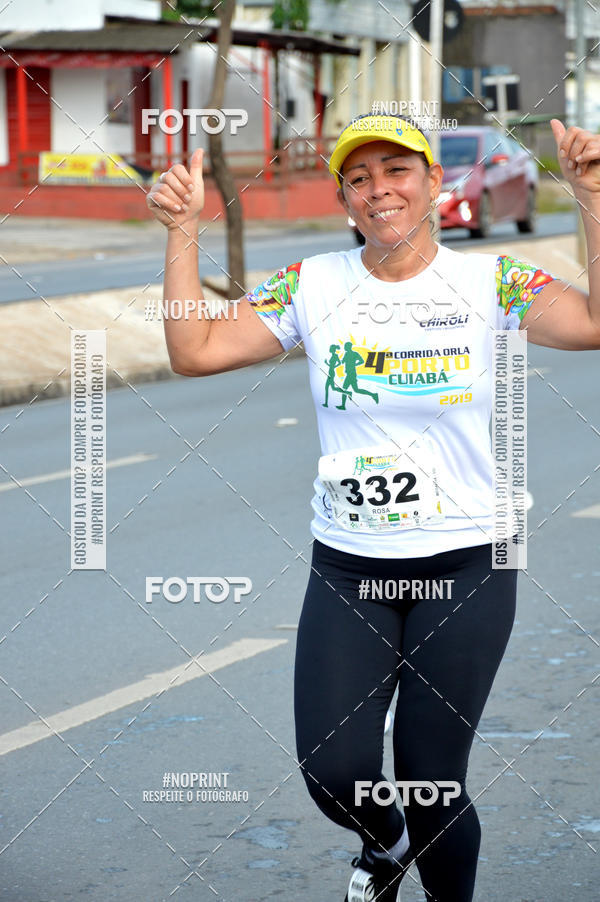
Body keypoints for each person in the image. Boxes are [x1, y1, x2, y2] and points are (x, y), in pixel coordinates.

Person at [146, 114, 600, 902]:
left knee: (432, 781)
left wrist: (592, 195)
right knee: (332, 767)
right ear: (345, 198)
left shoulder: (489, 282)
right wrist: (183, 230)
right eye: (360, 178)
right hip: (350, 564)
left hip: (467, 562)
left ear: (432, 183)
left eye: (397, 171)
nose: (379, 189)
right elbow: (196, 351)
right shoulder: (312, 284)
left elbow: (594, 323)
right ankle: (384, 847)